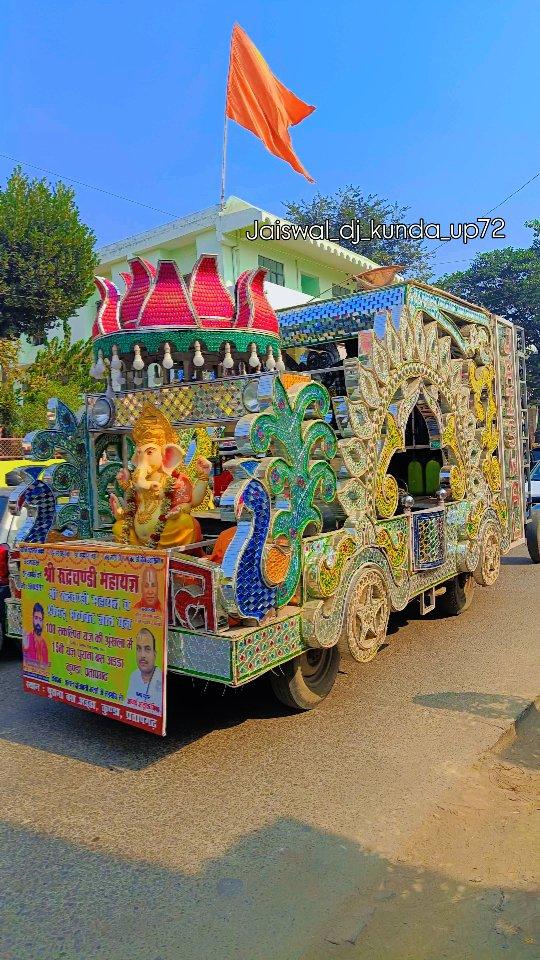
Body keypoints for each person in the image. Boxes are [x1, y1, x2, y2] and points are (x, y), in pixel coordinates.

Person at [126, 628, 163, 712]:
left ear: (155, 654)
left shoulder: (161, 679)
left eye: (147, 649)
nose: (142, 655)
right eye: (139, 649)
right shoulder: (134, 676)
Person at [23, 602, 49, 667]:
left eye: (40, 619)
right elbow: (27, 662)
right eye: (36, 618)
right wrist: (26, 648)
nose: (38, 622)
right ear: (33, 619)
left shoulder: (44, 643)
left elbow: (46, 665)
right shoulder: (28, 638)